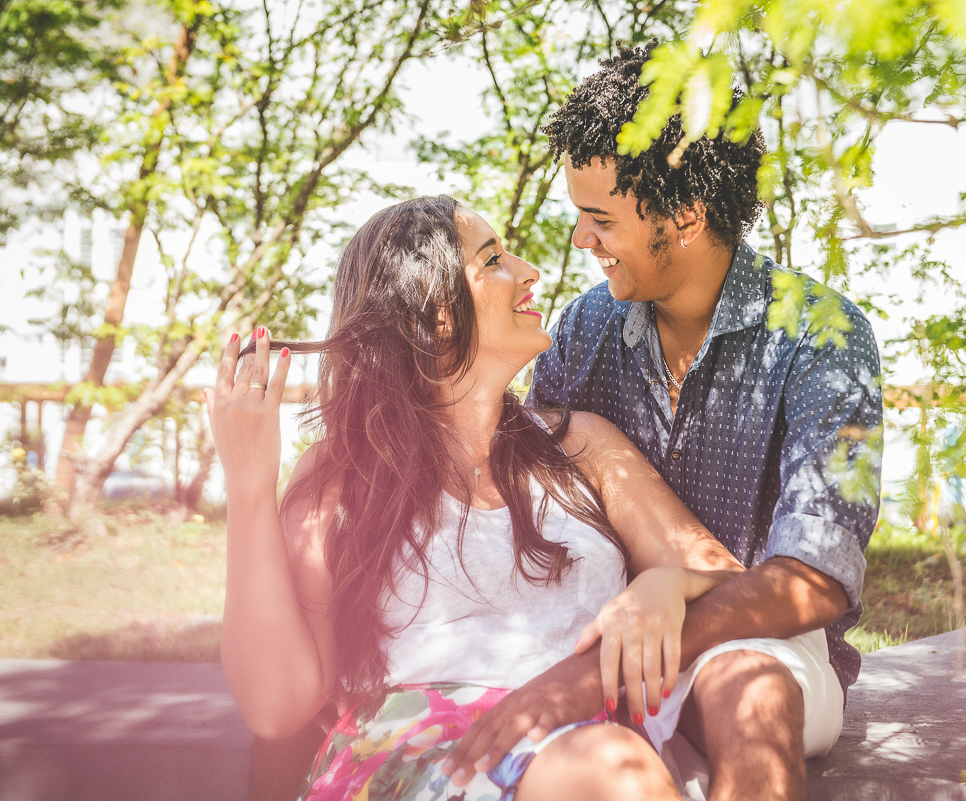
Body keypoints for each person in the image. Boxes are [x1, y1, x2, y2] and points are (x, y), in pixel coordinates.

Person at [437, 43, 884, 801]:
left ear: (684, 216)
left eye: (599, 218)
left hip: (760, 638)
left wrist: (666, 599)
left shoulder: (824, 336)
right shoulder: (582, 330)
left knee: (748, 685)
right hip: (605, 635)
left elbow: (816, 582)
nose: (581, 240)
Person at [206, 195, 748, 801]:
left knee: (611, 762)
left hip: (577, 758)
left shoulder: (583, 447)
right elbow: (277, 707)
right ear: (435, 311)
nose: (527, 270)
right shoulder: (343, 475)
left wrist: (666, 585)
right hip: (412, 764)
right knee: (614, 765)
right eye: (492, 259)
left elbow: (730, 583)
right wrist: (249, 485)